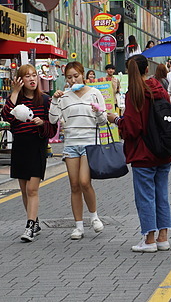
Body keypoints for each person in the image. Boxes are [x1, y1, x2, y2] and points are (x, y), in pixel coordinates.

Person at [107, 55, 171, 252]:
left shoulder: (135, 93)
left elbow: (132, 128)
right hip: (163, 150)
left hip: (143, 153)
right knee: (161, 194)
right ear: (147, 70)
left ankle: (149, 240)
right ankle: (163, 237)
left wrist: (116, 120)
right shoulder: (160, 88)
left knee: (145, 196)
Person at [49, 62, 107, 240]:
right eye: (69, 77)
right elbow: (52, 120)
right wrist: (54, 99)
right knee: (74, 185)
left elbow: (103, 120)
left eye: (76, 76)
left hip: (90, 143)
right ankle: (78, 226)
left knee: (84, 182)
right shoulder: (64, 96)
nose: (73, 79)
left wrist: (97, 111)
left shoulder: (95, 93)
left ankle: (94, 216)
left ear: (83, 75)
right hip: (71, 144)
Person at [1, 64, 54, 242]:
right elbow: (6, 116)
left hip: (37, 145)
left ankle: (30, 227)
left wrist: (42, 125)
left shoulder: (45, 100)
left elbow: (52, 129)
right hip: (20, 145)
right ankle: (35, 221)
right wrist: (14, 92)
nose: (32, 79)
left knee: (32, 189)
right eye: (27, 76)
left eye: (34, 75)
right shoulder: (15, 99)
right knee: (24, 189)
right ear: (20, 80)